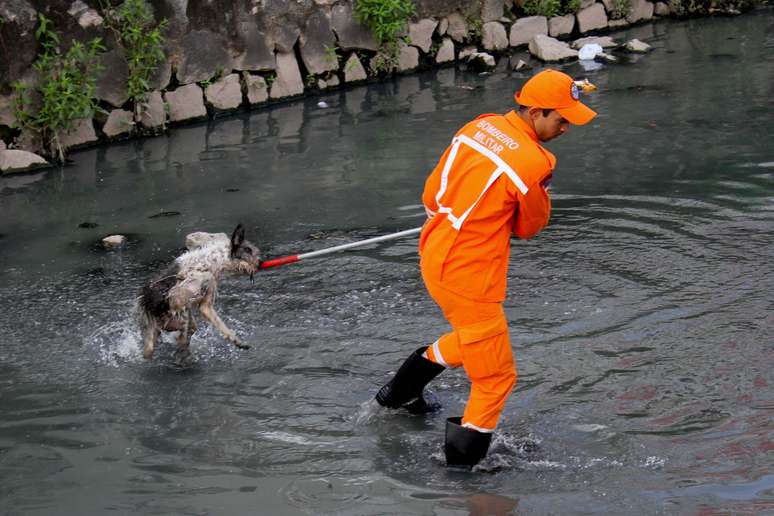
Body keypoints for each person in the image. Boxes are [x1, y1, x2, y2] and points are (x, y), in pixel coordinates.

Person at [374, 69, 597, 468]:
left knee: (476, 339)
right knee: (496, 377)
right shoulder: (536, 162)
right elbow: (529, 228)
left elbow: (431, 192)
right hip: (471, 274)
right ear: (534, 112)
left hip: (434, 252)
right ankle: (462, 470)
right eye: (561, 118)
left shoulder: (479, 127)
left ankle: (399, 395)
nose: (566, 127)